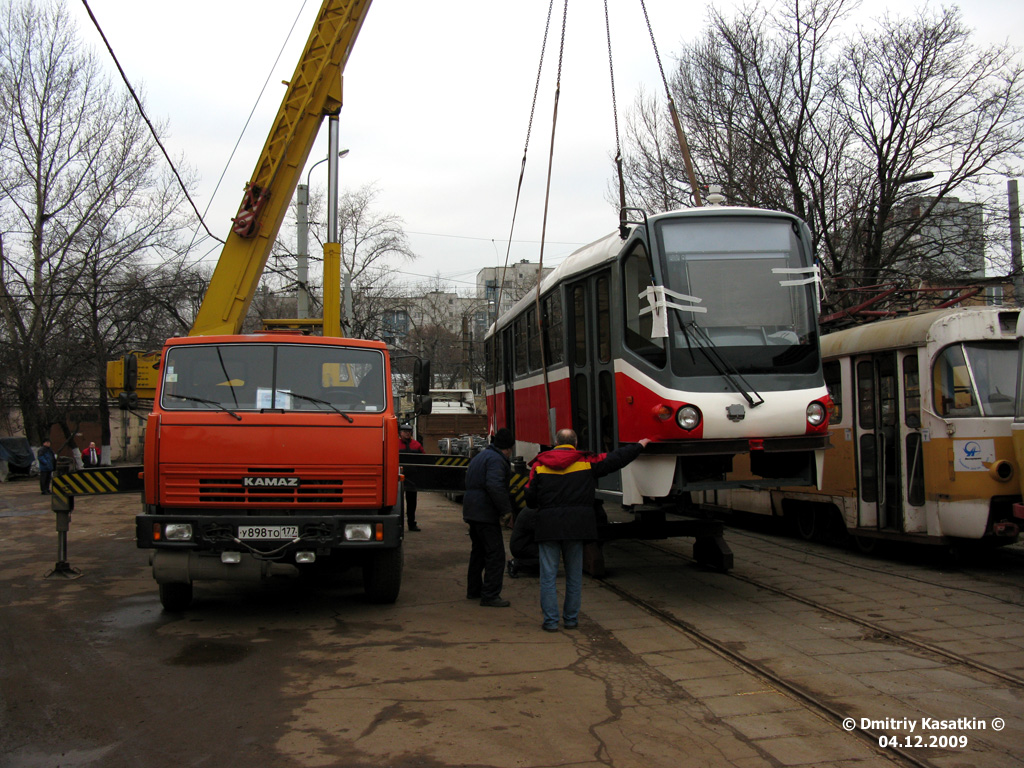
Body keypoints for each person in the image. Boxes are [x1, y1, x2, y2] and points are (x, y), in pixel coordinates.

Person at [525, 428, 651, 632]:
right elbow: (615, 459)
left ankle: (550, 622)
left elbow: (530, 499)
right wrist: (639, 445)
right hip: (577, 526)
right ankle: (571, 620)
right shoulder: (586, 462)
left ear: (556, 442)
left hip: (548, 527)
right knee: (574, 575)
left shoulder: (539, 465)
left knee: (548, 576)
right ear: (574, 443)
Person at [462, 428, 515, 607]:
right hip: (485, 513)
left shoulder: (481, 456)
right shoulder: (496, 460)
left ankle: (474, 590)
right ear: (508, 448)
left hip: (472, 510)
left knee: (479, 552)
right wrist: (506, 510)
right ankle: (490, 595)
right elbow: (494, 485)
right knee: (496, 554)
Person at [397, 424, 424, 531]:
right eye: (404, 431)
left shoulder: (416, 445)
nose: (407, 433)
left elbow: (424, 459)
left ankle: (411, 524)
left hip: (412, 478)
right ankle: (398, 525)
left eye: (409, 431)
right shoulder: (395, 444)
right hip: (397, 478)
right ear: (400, 433)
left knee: (412, 503)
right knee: (397, 503)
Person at [507, 507, 539, 578]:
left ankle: (521, 563)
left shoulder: (530, 509)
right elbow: (539, 532)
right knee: (546, 558)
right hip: (522, 546)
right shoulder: (532, 512)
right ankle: (516, 564)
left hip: (522, 544)